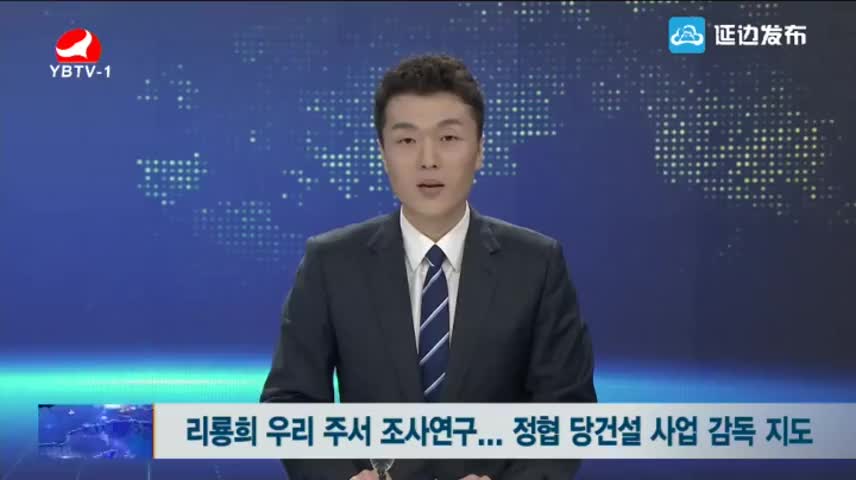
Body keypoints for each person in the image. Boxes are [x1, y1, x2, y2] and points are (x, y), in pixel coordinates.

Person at [261, 53, 597, 480]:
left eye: (449, 138)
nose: (428, 160)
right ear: (382, 153)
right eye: (406, 141)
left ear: (479, 150)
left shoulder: (536, 265)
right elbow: (290, 402)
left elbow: (567, 409)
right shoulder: (331, 263)